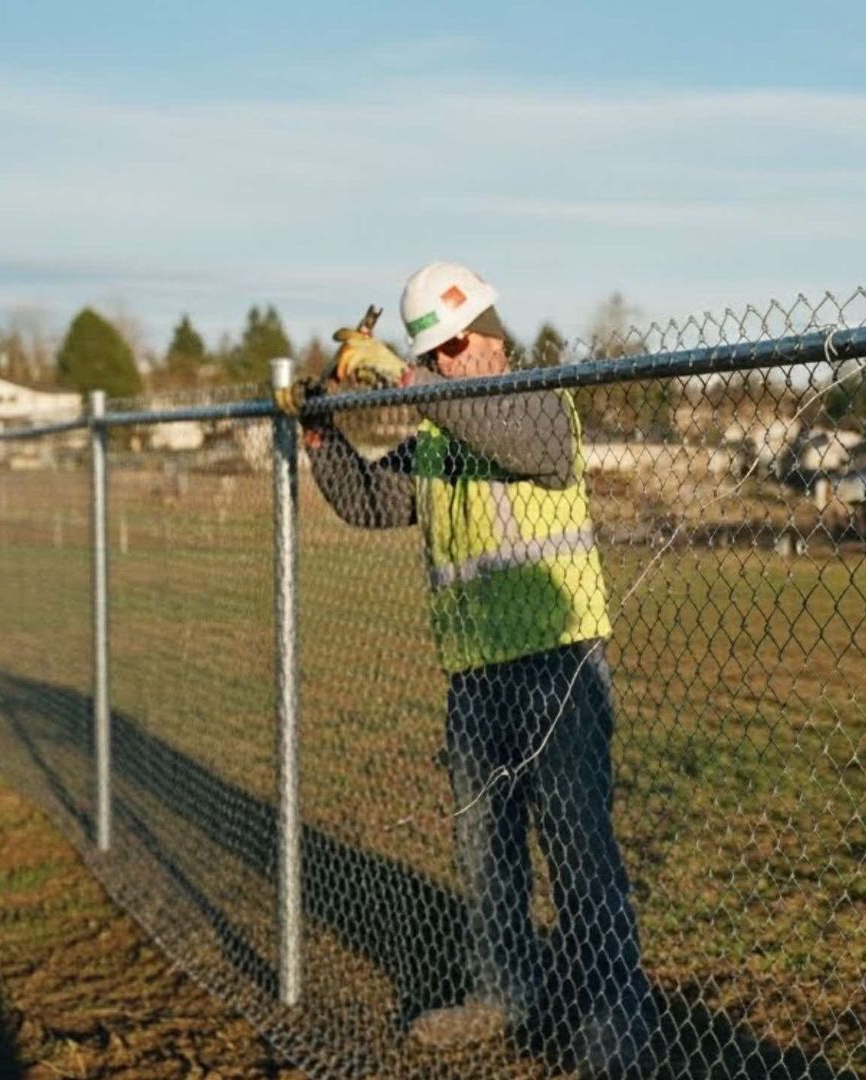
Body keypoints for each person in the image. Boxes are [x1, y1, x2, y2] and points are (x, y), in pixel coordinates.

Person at [291, 261, 655, 1075]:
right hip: (476, 675)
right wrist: (322, 435)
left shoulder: (541, 403)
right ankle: (503, 991)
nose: (449, 361)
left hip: (558, 669)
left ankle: (613, 1028)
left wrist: (400, 376)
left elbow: (515, 440)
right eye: (435, 352)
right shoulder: (436, 438)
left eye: (457, 345)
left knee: (579, 856)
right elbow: (371, 504)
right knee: (485, 855)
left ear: (491, 337)